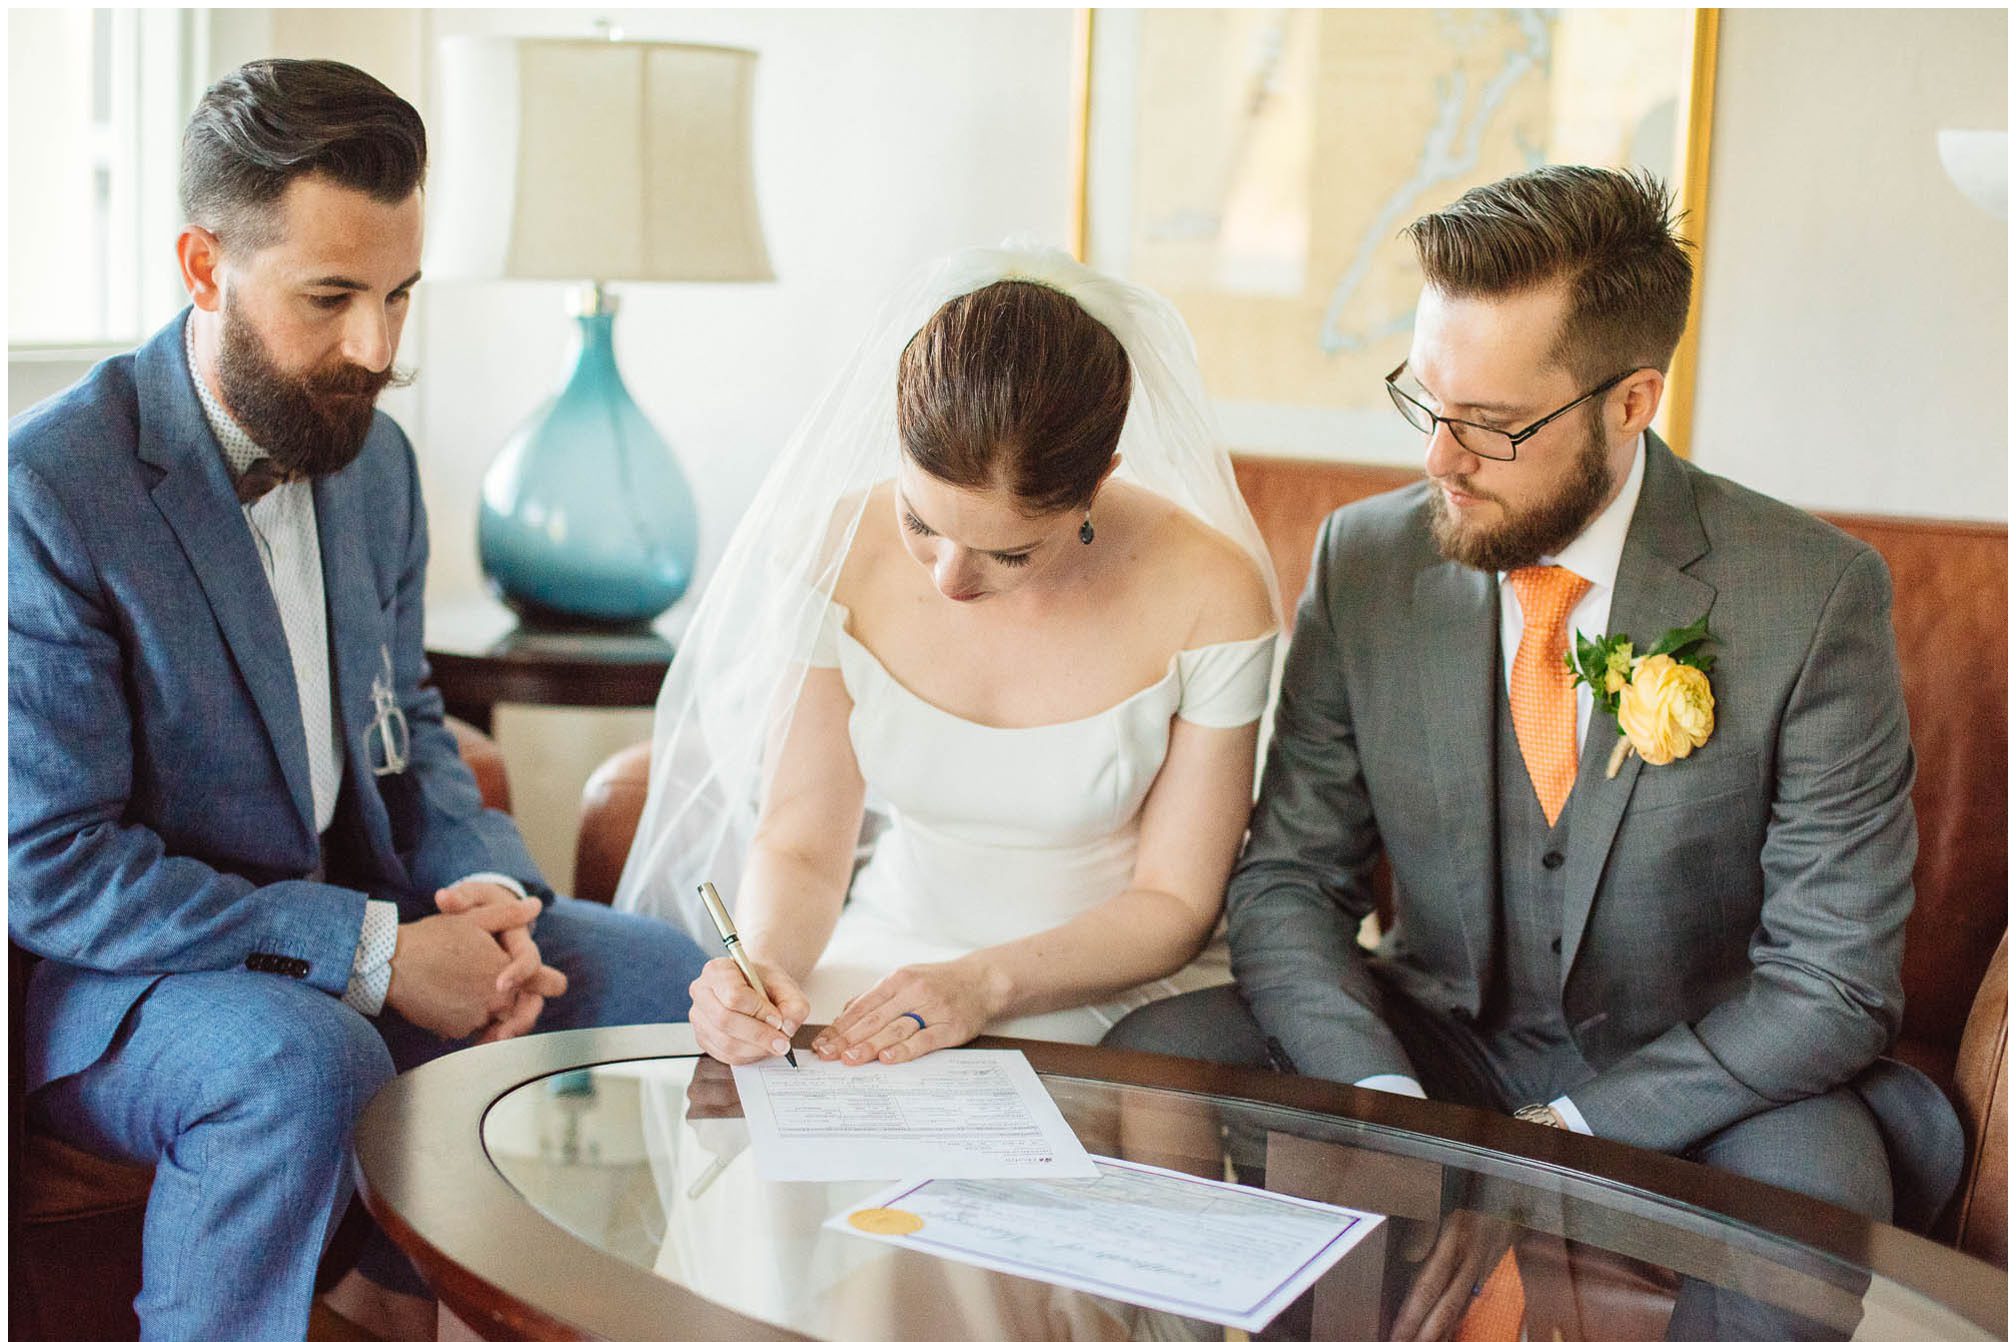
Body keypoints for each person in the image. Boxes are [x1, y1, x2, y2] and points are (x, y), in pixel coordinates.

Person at [1104, 166, 1963, 1342]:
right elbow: (1290, 879)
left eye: (1492, 423)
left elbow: (1832, 983)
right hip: (1436, 1036)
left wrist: (1557, 1140)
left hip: (1703, 1076)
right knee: (1157, 1057)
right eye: (1425, 399)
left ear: (1631, 402)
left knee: (1813, 1202)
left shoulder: (1811, 596)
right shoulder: (1365, 560)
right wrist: (1386, 1103)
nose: (1439, 460)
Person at [8, 59, 708, 1342]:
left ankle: (407, 1300)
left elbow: (410, 729)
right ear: (204, 267)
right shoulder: (51, 488)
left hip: (363, 911)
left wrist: (488, 896)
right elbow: (54, 867)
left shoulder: (375, 462)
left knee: (659, 977)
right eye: (331, 298)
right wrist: (375, 956)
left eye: (399, 296)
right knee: (308, 1057)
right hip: (127, 985)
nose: (377, 350)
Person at [614, 246, 1280, 1065]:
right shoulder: (831, 551)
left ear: (1097, 483)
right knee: (761, 1086)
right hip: (886, 947)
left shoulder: (1211, 591)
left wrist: (982, 984)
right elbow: (801, 843)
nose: (949, 580)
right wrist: (763, 969)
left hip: (1104, 981)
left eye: (1010, 553)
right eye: (920, 524)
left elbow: (1175, 901)